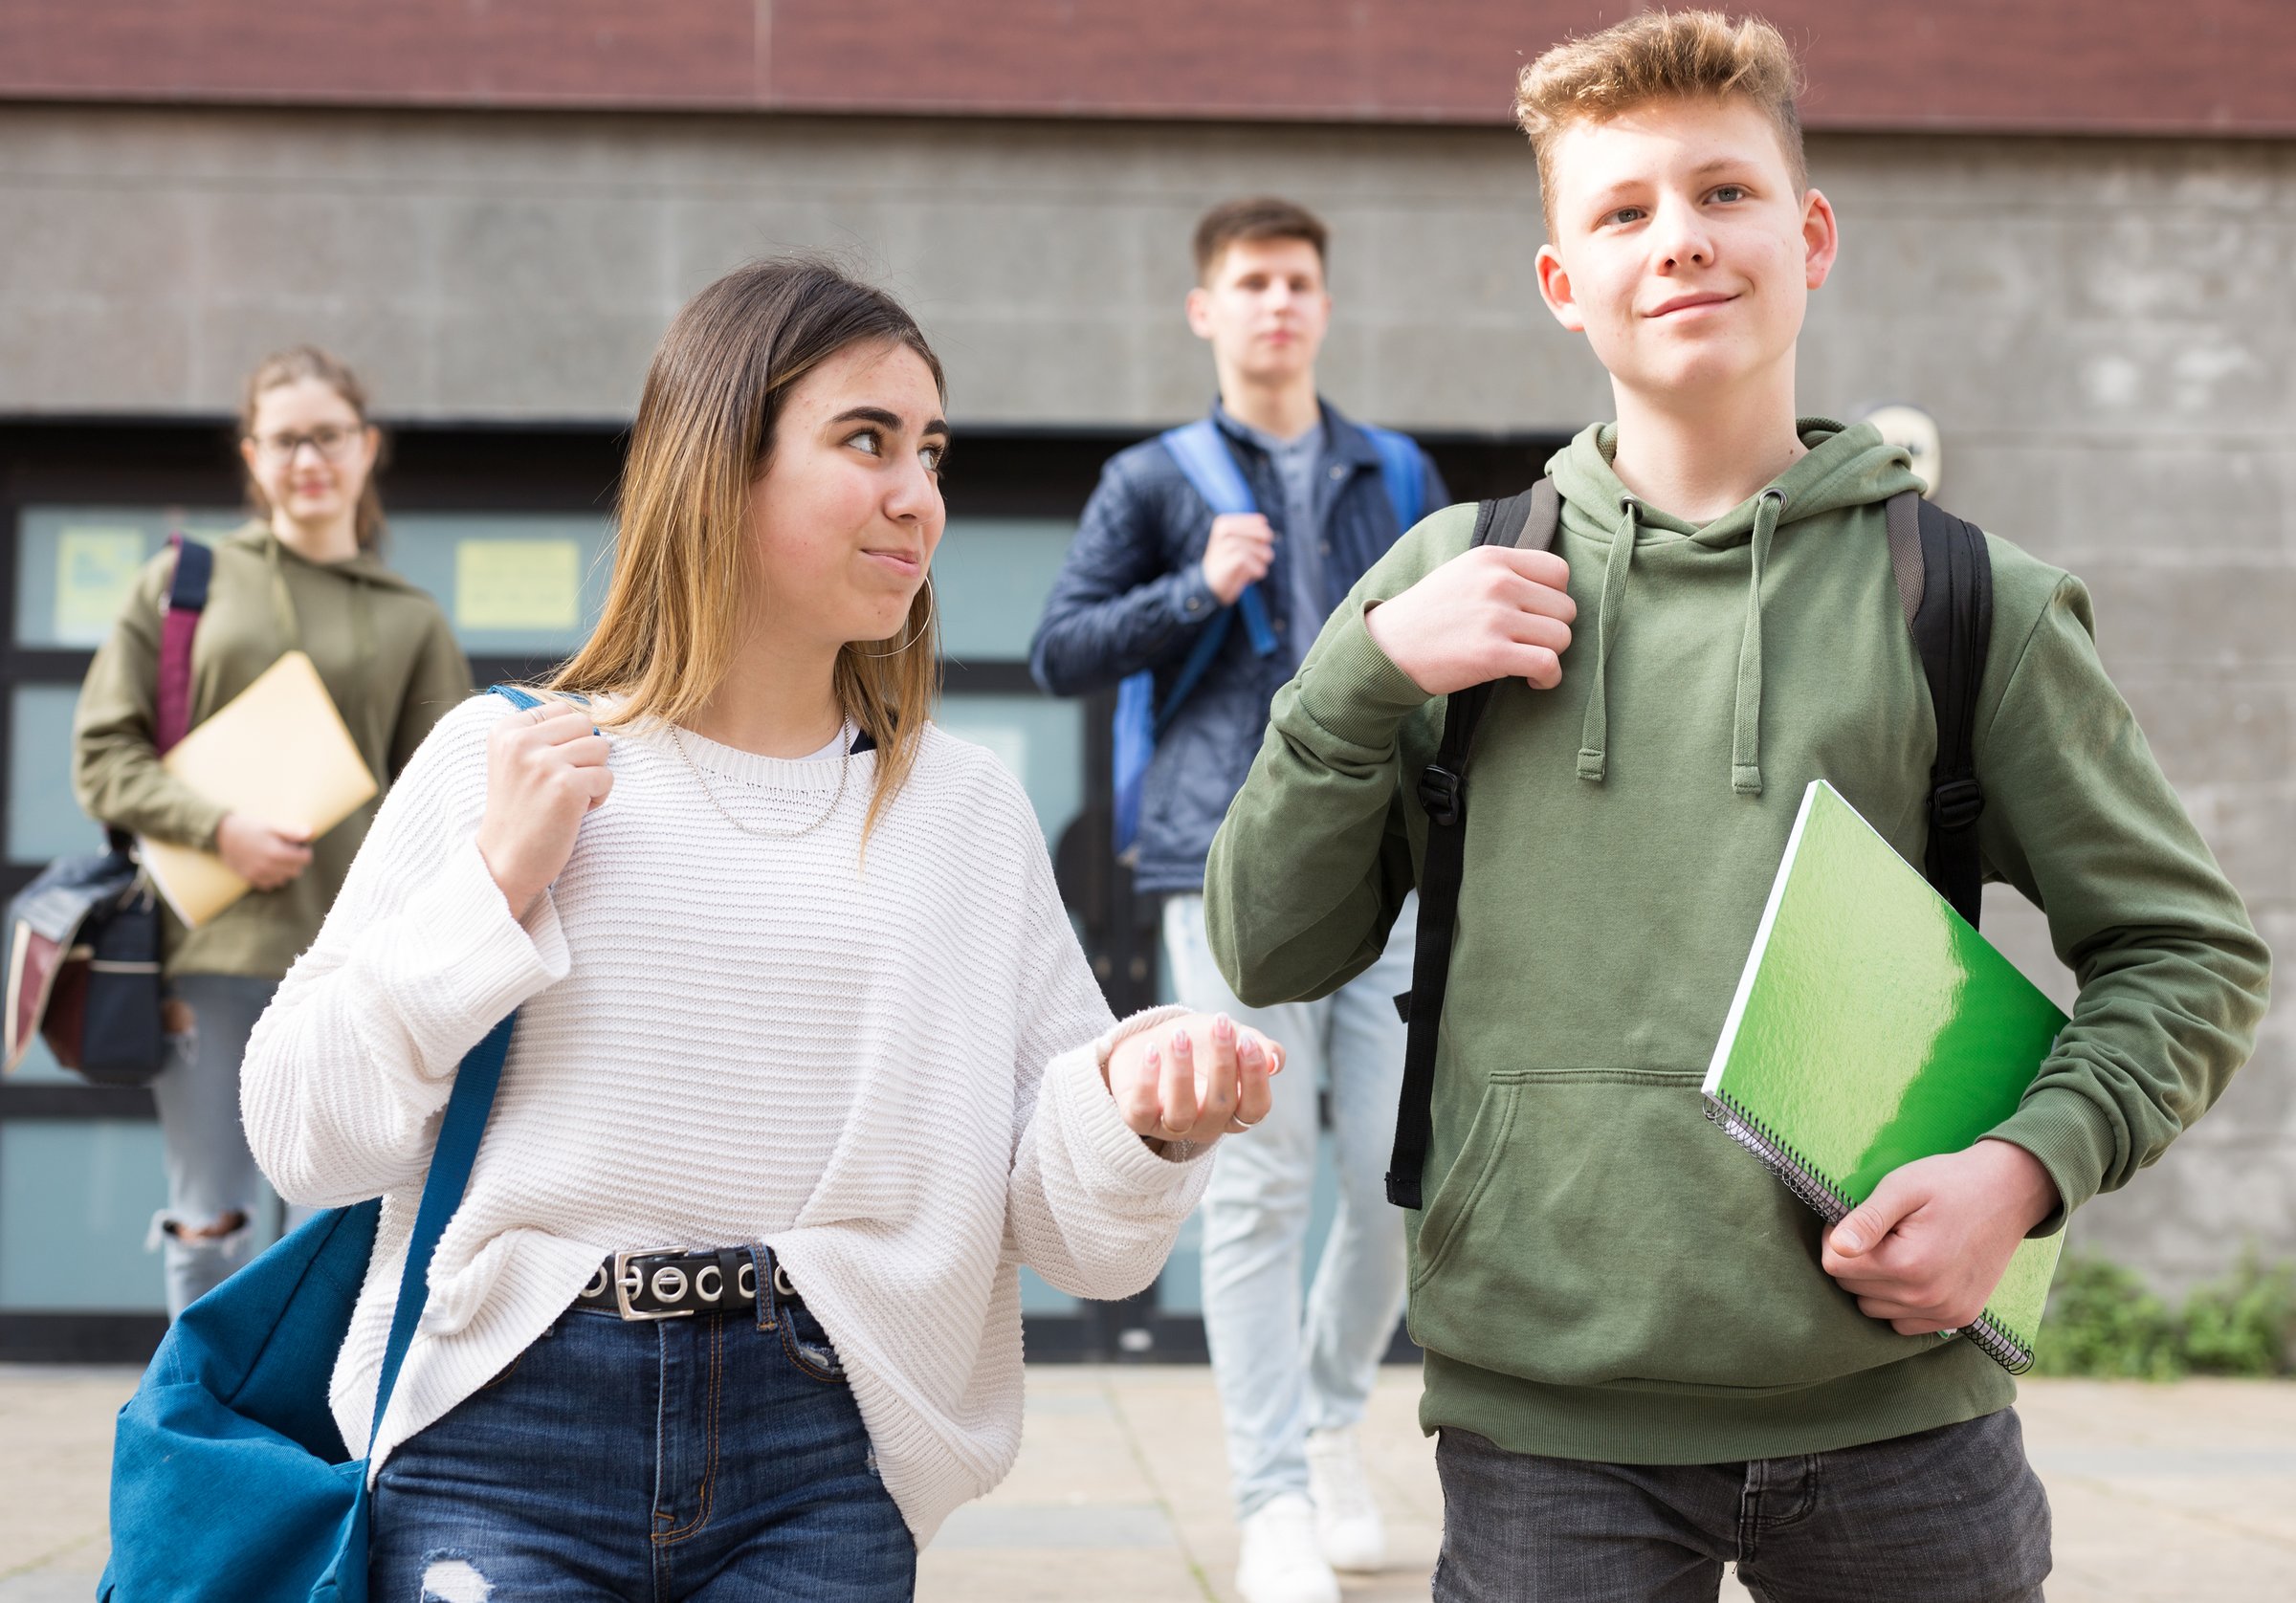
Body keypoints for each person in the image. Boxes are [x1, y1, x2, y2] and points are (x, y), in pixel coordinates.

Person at [1203, 13, 2270, 1603]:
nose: (1680, 240)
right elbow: (1265, 944)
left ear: (1810, 235)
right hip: (1546, 1438)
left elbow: (2190, 954)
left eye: (1724, 193)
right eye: (1623, 211)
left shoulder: (1969, 602)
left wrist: (2025, 1171)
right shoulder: (1447, 587)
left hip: (1902, 1424)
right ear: (1562, 280)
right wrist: (1358, 678)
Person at [239, 258, 1286, 1599]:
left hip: (823, 1451)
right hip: (501, 1433)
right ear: (720, 466)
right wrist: (490, 891)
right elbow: (303, 1134)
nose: (918, 495)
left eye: (931, 452)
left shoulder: (964, 812)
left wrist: (1136, 1113)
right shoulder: (507, 763)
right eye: (867, 440)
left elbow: (1076, 1233)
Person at [1031, 197, 1447, 1603]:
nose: (1277, 303)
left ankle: (1330, 1423)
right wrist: (1194, 590)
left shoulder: (1395, 469)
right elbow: (1061, 649)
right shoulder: (1154, 480)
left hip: (1386, 866)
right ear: (1206, 309)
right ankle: (1273, 1496)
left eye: (1298, 282)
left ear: (1323, 305)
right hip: (1224, 868)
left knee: (1394, 1179)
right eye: (1252, 283)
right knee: (1261, 1185)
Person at [73, 346, 469, 1318]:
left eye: (328, 436)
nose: (309, 460)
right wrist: (220, 829)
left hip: (354, 964)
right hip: (209, 954)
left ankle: (311, 1416)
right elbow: (102, 755)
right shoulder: (183, 583)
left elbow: (448, 798)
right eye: (285, 440)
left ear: (366, 446)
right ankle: (199, 1411)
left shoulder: (412, 618)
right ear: (252, 455)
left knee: (334, 1229)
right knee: (210, 1221)